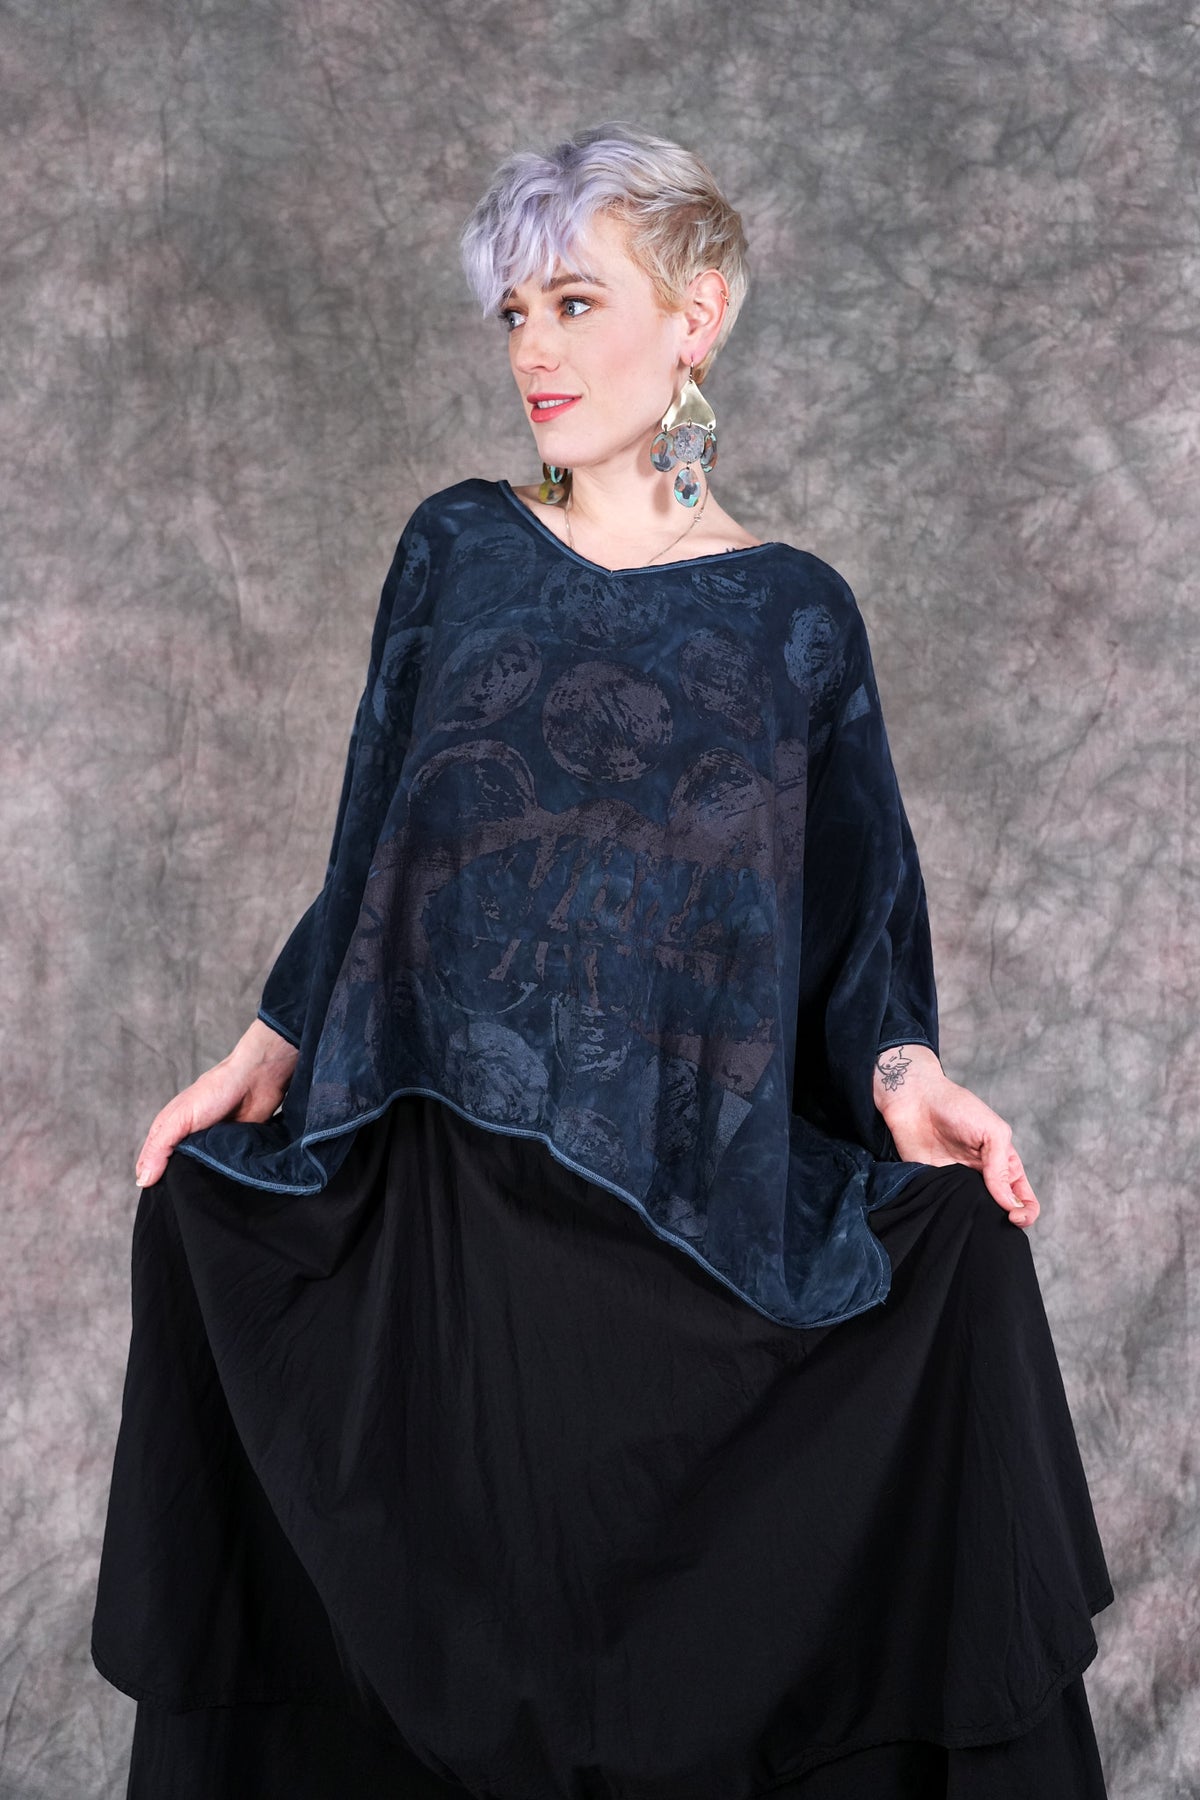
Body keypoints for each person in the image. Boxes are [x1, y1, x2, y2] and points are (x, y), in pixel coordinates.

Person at [92, 123, 1114, 1799]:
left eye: (576, 302)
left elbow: (855, 921)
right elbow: (375, 853)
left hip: (683, 1232)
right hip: (445, 1240)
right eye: (514, 312)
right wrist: (266, 1046)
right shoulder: (455, 550)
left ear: (696, 316)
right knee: (215, 1261)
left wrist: (910, 1079)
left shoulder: (797, 617)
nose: (535, 351)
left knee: (961, 1286)